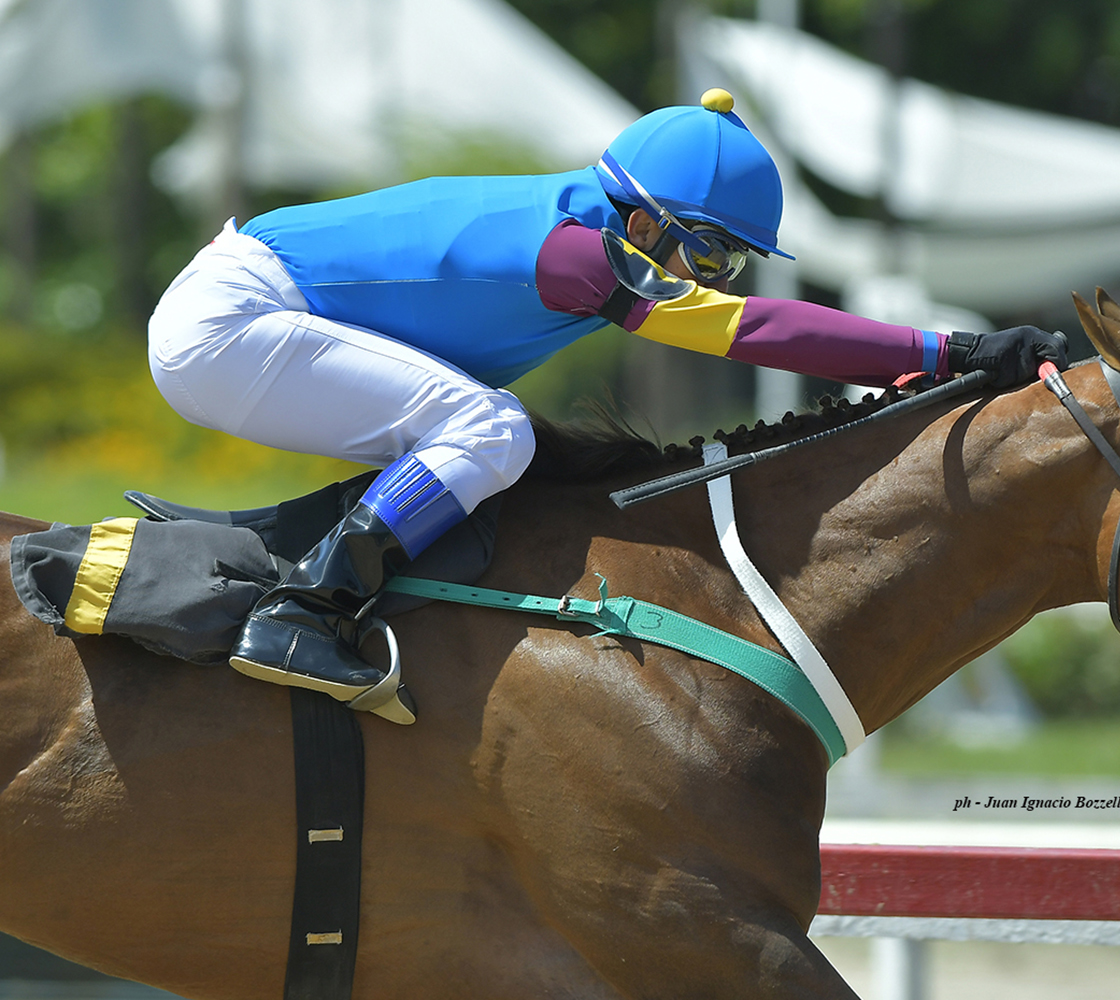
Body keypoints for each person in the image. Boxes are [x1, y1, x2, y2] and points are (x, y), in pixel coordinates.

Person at [147, 88, 1068, 725]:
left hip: (239, 311)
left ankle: (301, 569)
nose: (715, 281)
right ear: (641, 222)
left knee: (475, 435)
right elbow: (755, 331)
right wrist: (951, 351)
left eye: (732, 263)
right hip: (230, 323)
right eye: (710, 256)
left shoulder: (589, 226)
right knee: (492, 429)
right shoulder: (580, 256)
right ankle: (308, 610)